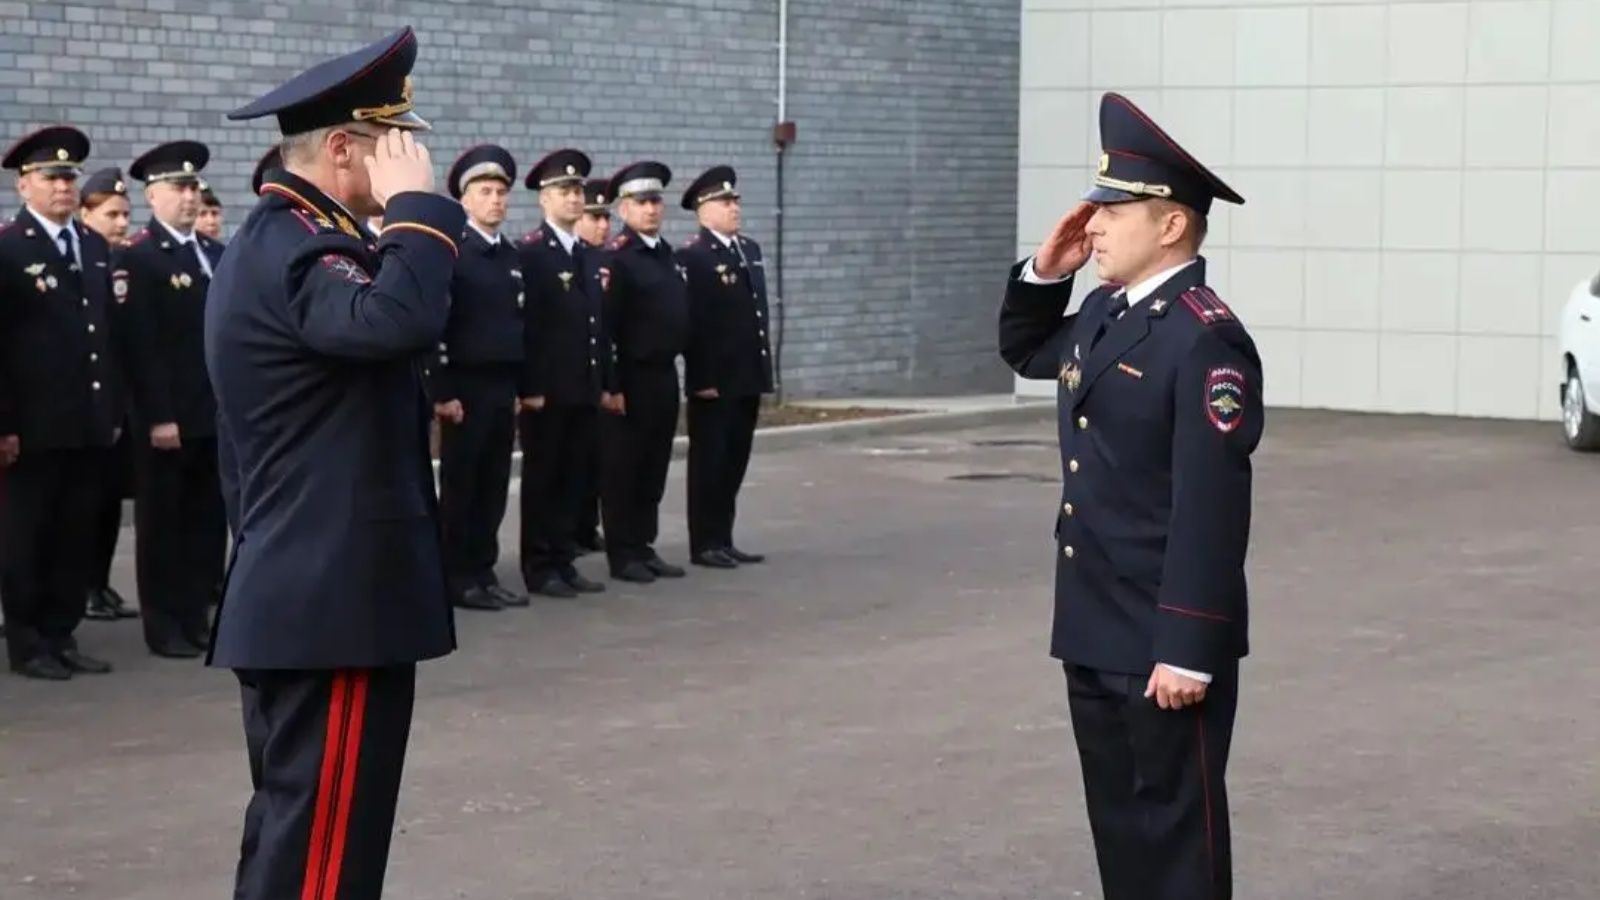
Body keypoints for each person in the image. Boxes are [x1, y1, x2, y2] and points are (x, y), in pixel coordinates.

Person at [203, 26, 463, 900]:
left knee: (302, 840)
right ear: (345, 146)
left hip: (314, 593)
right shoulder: (305, 245)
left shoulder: (297, 240)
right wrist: (419, 215)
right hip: (333, 600)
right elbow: (397, 321)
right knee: (318, 857)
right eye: (398, 141)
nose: (414, 157)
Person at [996, 91, 1261, 900]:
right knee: (1121, 830)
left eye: (1114, 207)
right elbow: (1028, 350)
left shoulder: (1204, 336)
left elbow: (1212, 507)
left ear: (1172, 224)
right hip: (1093, 622)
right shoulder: (1110, 310)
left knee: (1177, 838)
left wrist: (1187, 646)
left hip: (1159, 639)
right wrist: (1047, 272)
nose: (1095, 223)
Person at [0, 126, 123, 680]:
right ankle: (28, 644)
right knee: (29, 537)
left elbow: (107, 338)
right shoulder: (8, 248)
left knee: (75, 533)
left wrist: (113, 410)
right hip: (31, 425)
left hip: (86, 421)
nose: (64, 187)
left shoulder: (93, 247)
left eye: (70, 178)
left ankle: (61, 632)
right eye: (52, 177)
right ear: (24, 186)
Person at [117, 140, 229, 659]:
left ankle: (195, 616)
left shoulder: (213, 254)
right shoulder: (140, 258)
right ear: (152, 195)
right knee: (164, 526)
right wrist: (159, 415)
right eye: (178, 189)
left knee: (205, 523)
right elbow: (142, 349)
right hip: (168, 418)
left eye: (193, 189)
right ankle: (163, 624)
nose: (189, 198)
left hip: (213, 414)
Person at [429, 144, 528, 611]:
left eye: (502, 192)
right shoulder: (453, 252)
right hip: (464, 389)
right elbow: (438, 325)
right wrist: (442, 392)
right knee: (462, 486)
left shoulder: (509, 254)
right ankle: (455, 576)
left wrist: (517, 388)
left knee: (492, 486)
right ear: (465, 200)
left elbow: (516, 325)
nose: (496, 200)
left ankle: (484, 570)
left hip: (499, 386)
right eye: (485, 191)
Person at [516, 149, 610, 598]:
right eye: (564, 191)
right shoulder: (532, 254)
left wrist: (601, 383)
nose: (575, 198)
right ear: (543, 199)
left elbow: (596, 326)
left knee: (573, 479)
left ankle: (564, 558)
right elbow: (528, 326)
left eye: (578, 191)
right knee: (544, 479)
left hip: (581, 388)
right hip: (548, 391)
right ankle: (539, 564)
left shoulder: (588, 254)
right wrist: (530, 386)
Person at [595, 160, 689, 584]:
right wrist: (611, 385)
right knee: (624, 468)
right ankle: (623, 551)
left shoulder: (665, 254)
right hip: (630, 376)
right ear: (623, 209)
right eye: (641, 202)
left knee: (653, 466)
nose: (651, 209)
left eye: (655, 201)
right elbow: (605, 326)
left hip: (663, 374)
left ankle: (644, 544)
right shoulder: (617, 259)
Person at [677, 165, 772, 569]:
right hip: (715, 380)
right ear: (703, 210)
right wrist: (701, 377)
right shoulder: (693, 256)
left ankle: (724, 536)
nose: (734, 208)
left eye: (735, 201)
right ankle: (704, 542)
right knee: (709, 463)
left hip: (746, 375)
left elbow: (755, 314)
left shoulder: (749, 250)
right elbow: (692, 324)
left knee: (734, 460)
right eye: (724, 202)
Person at [77, 166, 139, 622]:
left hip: (116, 407)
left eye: (124, 214)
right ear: (86, 214)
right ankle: (85, 587)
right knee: (85, 506)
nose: (120, 224)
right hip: (83, 410)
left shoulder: (115, 259)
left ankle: (97, 583)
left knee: (107, 504)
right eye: (110, 215)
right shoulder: (89, 259)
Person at [569, 177, 612, 554]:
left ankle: (586, 525)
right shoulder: (574, 259)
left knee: (594, 457)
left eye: (606, 218)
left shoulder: (608, 259)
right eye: (594, 217)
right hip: (570, 377)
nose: (603, 225)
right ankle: (575, 528)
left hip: (596, 375)